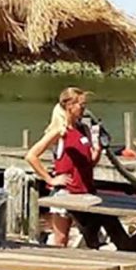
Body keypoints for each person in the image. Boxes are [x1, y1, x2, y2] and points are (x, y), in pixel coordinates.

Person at [25, 87, 102, 247]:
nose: (84, 109)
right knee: (61, 240)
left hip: (86, 191)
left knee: (92, 239)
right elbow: (32, 156)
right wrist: (50, 179)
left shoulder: (84, 129)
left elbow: (90, 163)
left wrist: (98, 149)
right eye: (81, 105)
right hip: (66, 192)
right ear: (70, 106)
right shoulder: (59, 131)